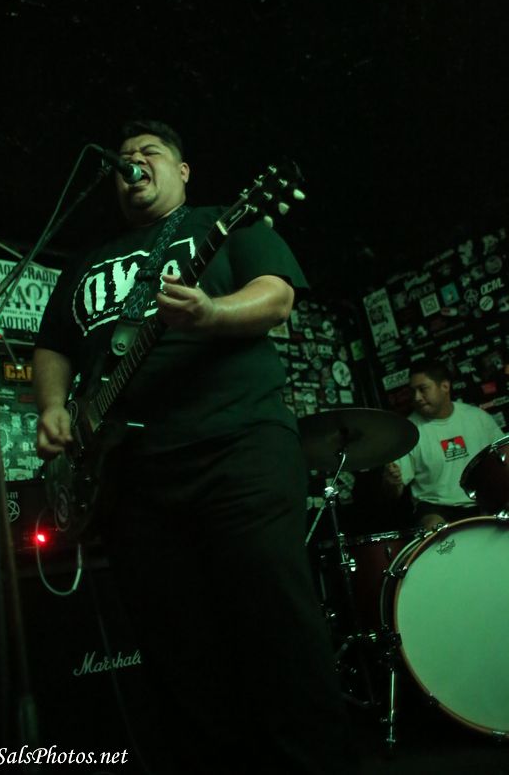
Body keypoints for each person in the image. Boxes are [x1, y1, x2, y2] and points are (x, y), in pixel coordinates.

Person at [32, 120, 354, 775]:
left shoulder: (229, 221)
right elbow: (53, 345)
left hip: (237, 447)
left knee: (276, 627)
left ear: (182, 171)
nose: (132, 162)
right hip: (129, 479)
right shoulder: (84, 264)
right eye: (123, 157)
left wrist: (211, 314)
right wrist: (53, 407)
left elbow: (276, 298)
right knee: (177, 650)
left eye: (149, 153)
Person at [383, 358, 504, 530]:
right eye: (413, 391)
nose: (417, 397)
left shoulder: (477, 418)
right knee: (433, 526)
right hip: (436, 508)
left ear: (445, 387)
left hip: (484, 502)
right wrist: (391, 483)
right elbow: (394, 493)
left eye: (423, 389)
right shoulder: (408, 432)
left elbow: (504, 457)